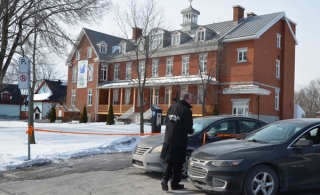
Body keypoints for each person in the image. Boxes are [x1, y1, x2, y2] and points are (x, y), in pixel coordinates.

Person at [160, 92, 194, 191]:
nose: (191, 101)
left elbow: (167, 122)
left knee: (169, 161)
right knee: (178, 162)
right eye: (191, 99)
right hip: (179, 141)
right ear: (186, 99)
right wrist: (191, 131)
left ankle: (165, 179)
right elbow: (188, 128)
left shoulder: (171, 108)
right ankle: (175, 183)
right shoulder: (186, 110)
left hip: (168, 139)